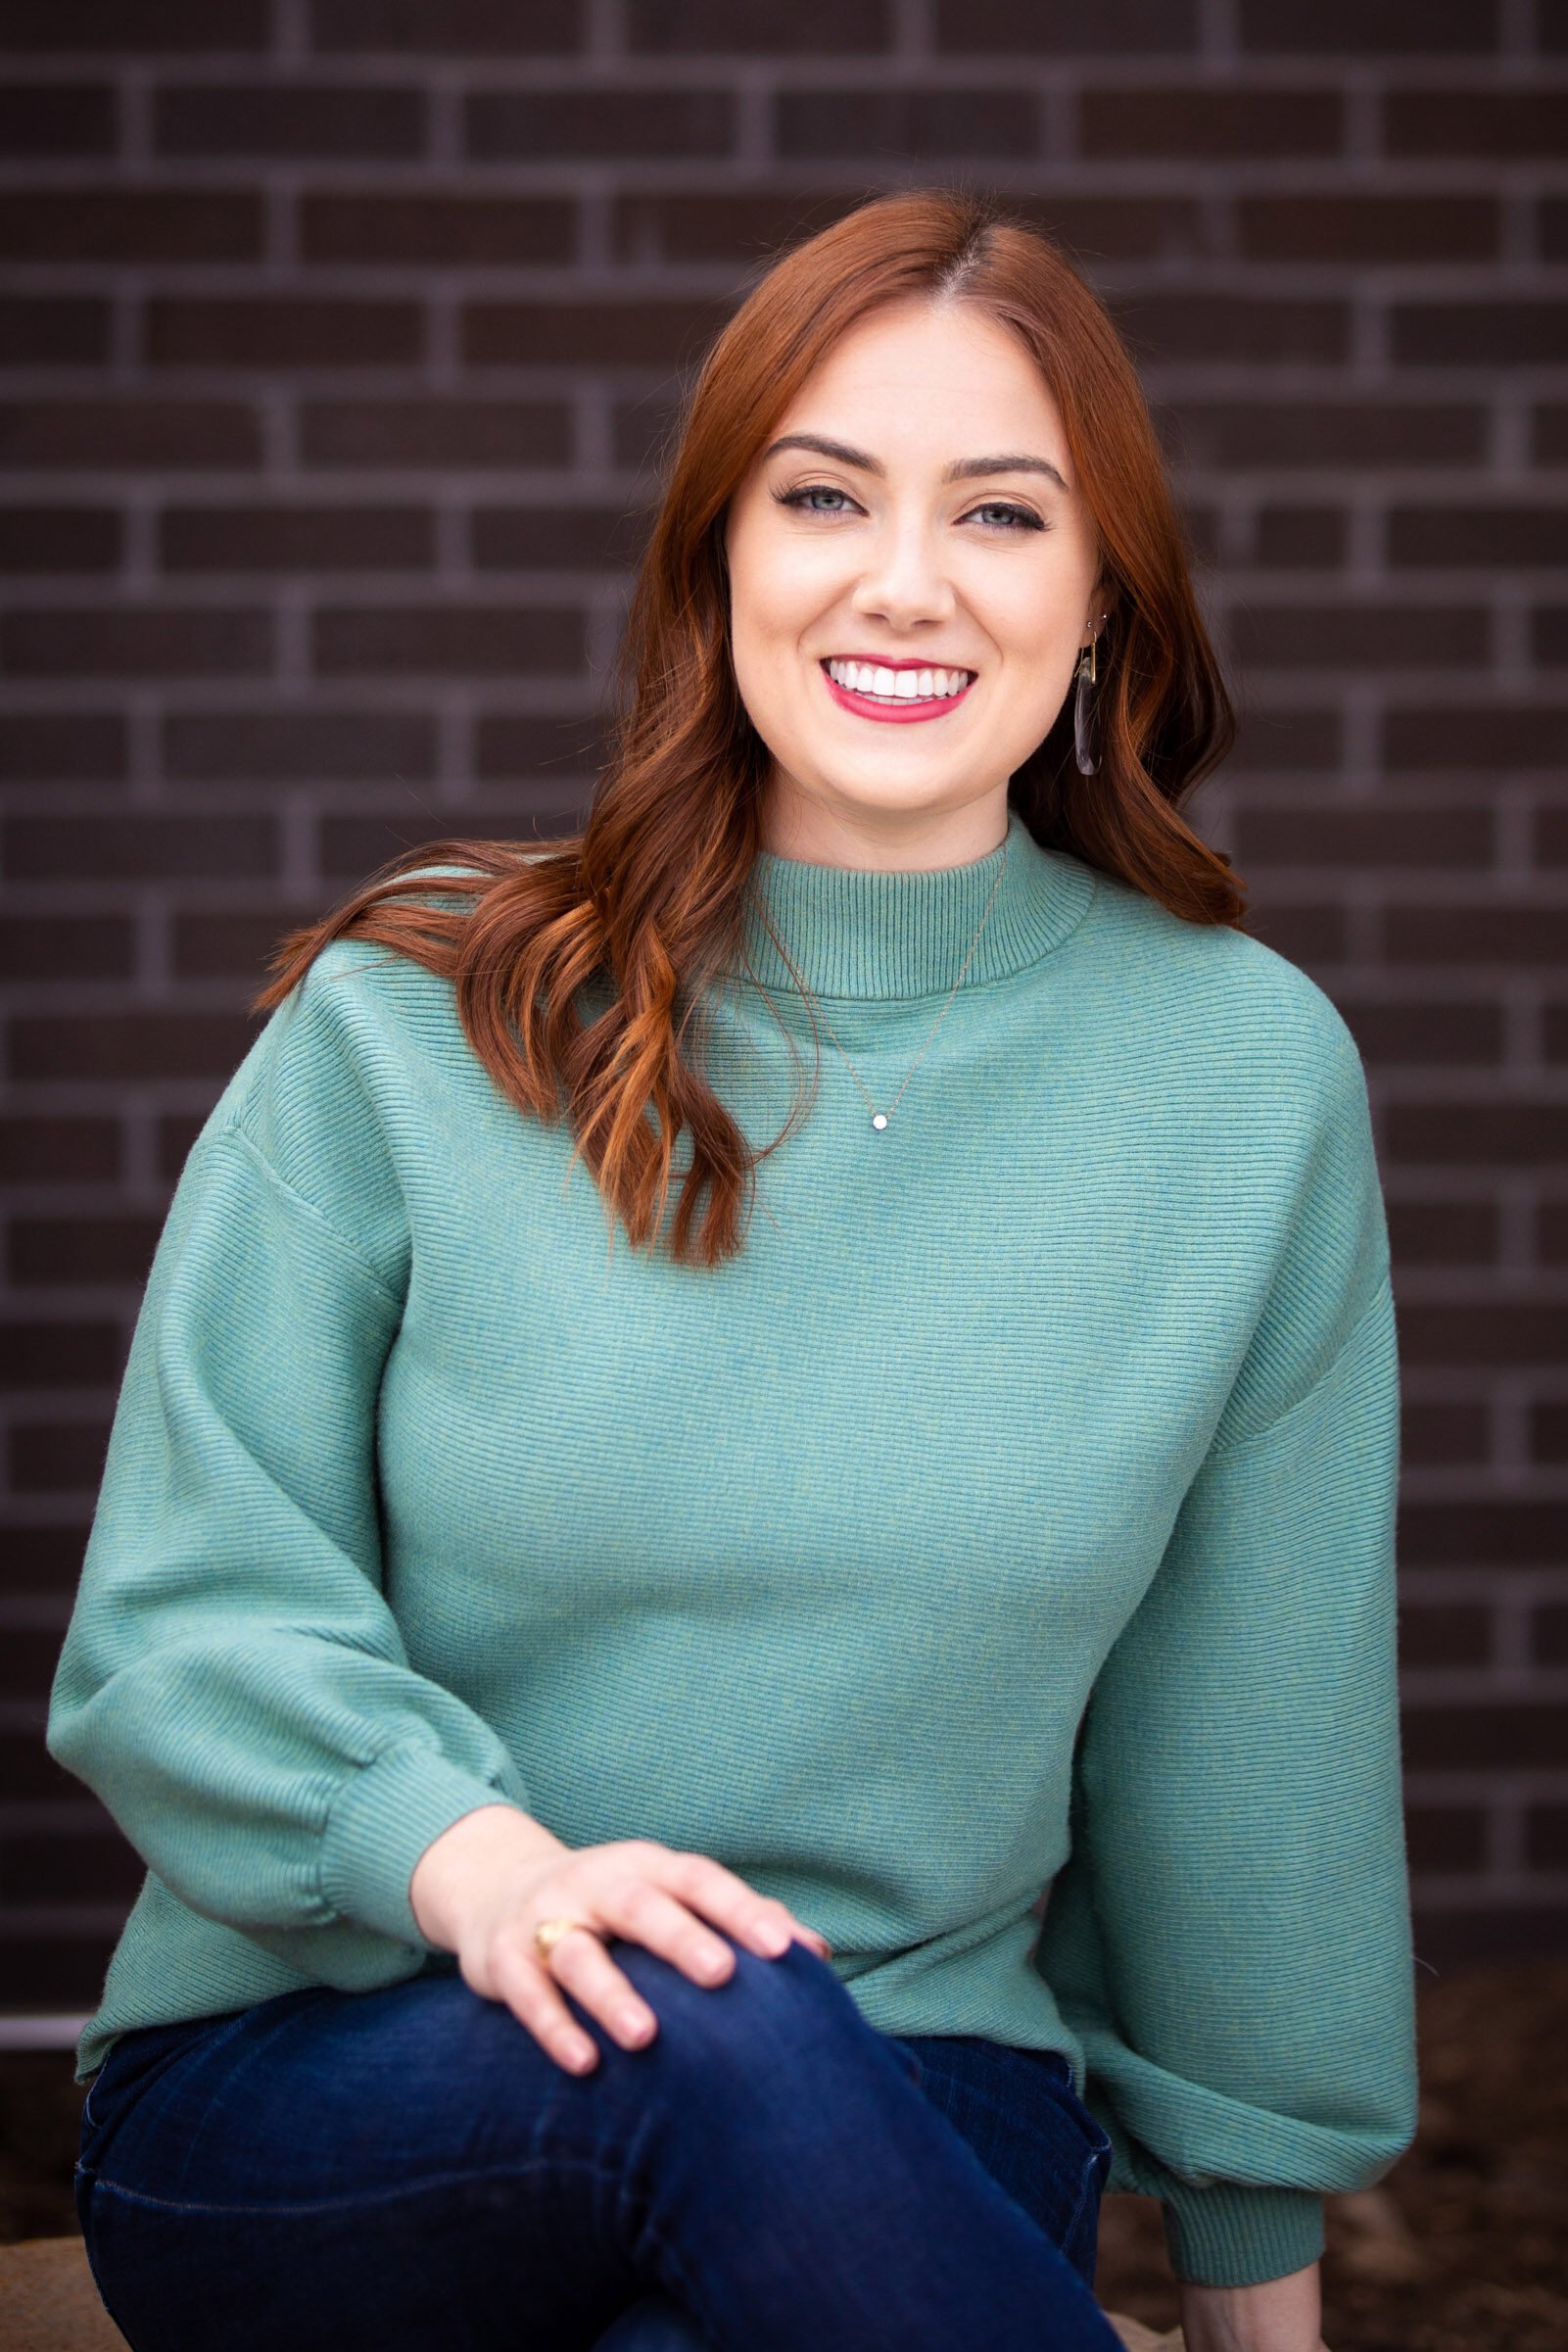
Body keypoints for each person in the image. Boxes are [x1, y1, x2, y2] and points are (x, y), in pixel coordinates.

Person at [48, 188, 1417, 2352]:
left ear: (1104, 601)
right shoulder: (426, 1016)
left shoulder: (1239, 1083)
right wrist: (487, 1869)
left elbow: (1251, 1745)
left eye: (998, 513)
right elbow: (179, 1623)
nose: (902, 580)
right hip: (345, 2071)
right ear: (718, 558)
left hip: (919, 2084)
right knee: (718, 2020)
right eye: (823, 494)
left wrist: (1261, 2294)